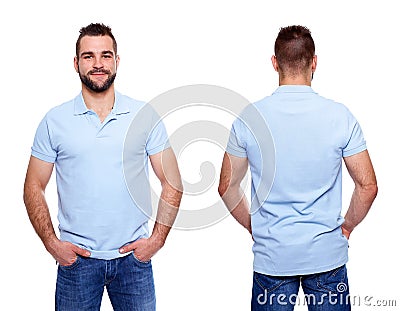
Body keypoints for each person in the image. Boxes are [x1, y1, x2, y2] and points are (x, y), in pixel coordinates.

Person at [23, 23, 182, 311]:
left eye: (106, 56)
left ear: (117, 62)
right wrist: (52, 243)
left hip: (133, 262)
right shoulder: (54, 121)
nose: (98, 64)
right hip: (77, 264)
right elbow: (33, 186)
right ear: (76, 63)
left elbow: (172, 182)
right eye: (89, 56)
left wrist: (156, 241)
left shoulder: (143, 115)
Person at [218, 25, 377, 310]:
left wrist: (255, 226)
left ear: (274, 62)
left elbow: (226, 186)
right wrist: (347, 226)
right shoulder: (340, 116)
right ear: (314, 61)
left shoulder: (249, 119)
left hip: (273, 258)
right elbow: (368, 186)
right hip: (326, 256)